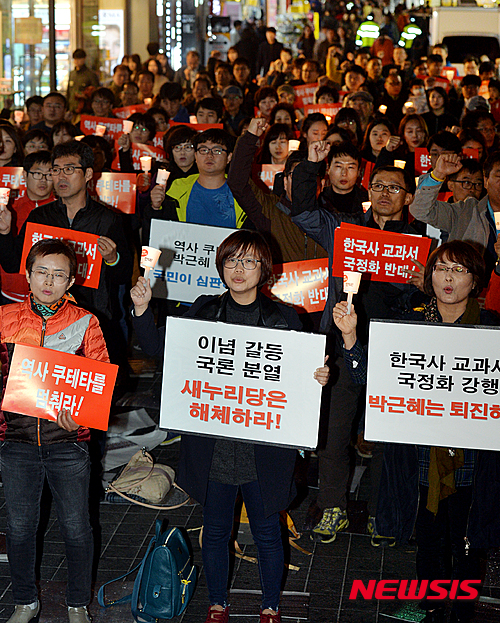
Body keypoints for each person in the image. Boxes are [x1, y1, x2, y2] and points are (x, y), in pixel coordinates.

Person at [130, 229, 330, 623]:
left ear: (265, 269)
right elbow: (157, 349)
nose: (239, 269)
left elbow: (302, 376)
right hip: (215, 447)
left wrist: (319, 376)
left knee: (268, 532)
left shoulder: (285, 318)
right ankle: (217, 604)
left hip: (265, 449)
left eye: (249, 260)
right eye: (231, 260)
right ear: (220, 267)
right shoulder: (203, 309)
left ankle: (270, 607)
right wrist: (141, 309)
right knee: (217, 531)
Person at [291, 142, 422, 543]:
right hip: (342, 342)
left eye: (394, 188)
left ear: (409, 197)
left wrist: (422, 286)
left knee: (384, 432)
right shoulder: (345, 230)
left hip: (394, 348)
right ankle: (333, 507)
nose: (384, 193)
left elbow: (439, 297)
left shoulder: (420, 241)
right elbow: (302, 211)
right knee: (335, 429)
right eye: (378, 185)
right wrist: (312, 164)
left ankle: (383, 513)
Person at [1, 238, 110, 623]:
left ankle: (78, 603)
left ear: (72, 280)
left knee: (77, 527)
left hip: (68, 443)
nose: (49, 280)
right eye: (42, 272)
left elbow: (97, 384)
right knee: (18, 528)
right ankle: (25, 602)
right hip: (15, 442)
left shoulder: (86, 322)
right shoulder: (5, 318)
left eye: (58, 274)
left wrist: (80, 417)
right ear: (27, 276)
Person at [410, 152, 500, 277]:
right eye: (499, 176)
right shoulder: (465, 212)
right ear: (486, 181)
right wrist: (438, 174)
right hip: (468, 292)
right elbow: (420, 210)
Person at [150, 128, 247, 229]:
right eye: (203, 150)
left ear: (229, 157)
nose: (209, 156)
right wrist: (155, 208)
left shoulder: (242, 192)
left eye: (217, 151)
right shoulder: (177, 190)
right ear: (196, 155)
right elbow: (161, 232)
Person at [0, 151, 55, 305]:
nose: (43, 180)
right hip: (10, 291)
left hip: (48, 295)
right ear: (25, 175)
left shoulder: (61, 212)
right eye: (37, 174)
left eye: (49, 175)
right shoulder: (9, 208)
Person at [66, 49, 99, 113]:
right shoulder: (72, 74)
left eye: (79, 59)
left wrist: (85, 96)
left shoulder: (90, 75)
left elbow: (96, 92)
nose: (76, 61)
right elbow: (68, 92)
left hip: (85, 110)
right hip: (72, 109)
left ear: (84, 59)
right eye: (75, 59)